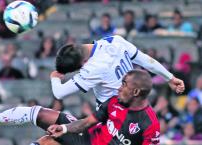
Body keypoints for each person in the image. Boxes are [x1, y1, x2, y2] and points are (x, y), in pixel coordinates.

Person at [0, 70, 159, 145]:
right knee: (39, 115)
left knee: (48, 142)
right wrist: (63, 128)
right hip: (88, 137)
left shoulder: (149, 125)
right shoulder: (115, 101)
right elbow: (88, 122)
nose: (120, 87)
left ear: (136, 92)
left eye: (124, 84)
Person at [50, 35, 184, 110]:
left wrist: (54, 77)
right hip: (137, 108)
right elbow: (146, 60)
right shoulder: (115, 40)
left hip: (112, 117)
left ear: (83, 63)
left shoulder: (91, 69)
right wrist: (170, 78)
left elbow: (59, 93)